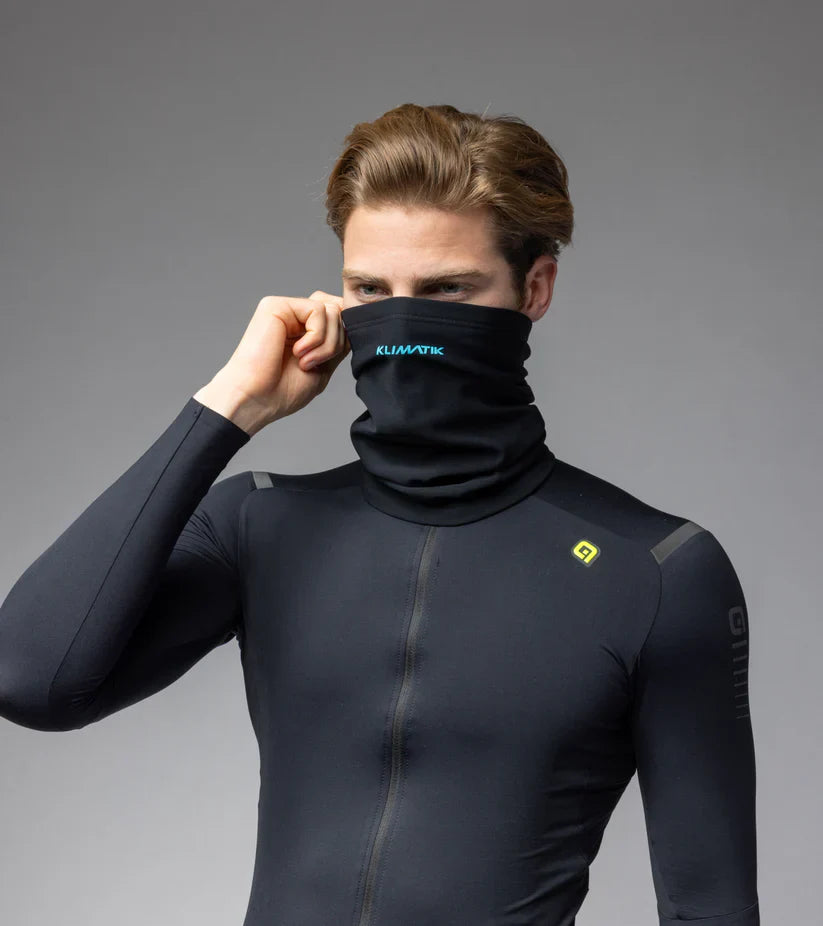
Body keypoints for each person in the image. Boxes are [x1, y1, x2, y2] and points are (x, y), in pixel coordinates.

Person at [0, 102, 758, 925]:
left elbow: (710, 905)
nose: (400, 324)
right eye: (369, 290)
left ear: (534, 287)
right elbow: (33, 680)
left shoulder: (653, 570)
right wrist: (227, 408)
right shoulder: (261, 527)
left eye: (445, 290)